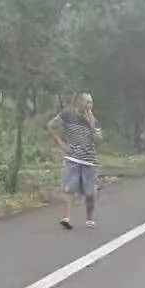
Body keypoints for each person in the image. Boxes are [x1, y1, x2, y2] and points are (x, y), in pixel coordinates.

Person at [48, 92, 103, 230]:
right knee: (68, 189)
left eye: (91, 102)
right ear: (79, 102)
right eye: (87, 102)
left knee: (90, 193)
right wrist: (60, 144)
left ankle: (89, 219)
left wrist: (91, 124)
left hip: (89, 161)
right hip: (72, 158)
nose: (90, 105)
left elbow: (99, 141)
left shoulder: (93, 119)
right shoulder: (68, 114)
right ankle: (66, 218)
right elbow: (50, 125)